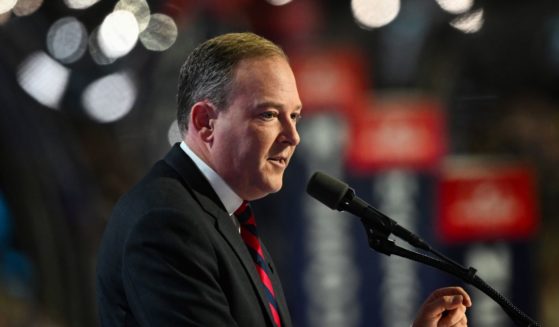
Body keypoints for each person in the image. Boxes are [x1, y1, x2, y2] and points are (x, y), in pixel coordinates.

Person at [96, 32, 472, 327]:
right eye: (268, 115)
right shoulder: (167, 223)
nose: (293, 137)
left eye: (296, 117)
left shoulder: (222, 215)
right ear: (204, 123)